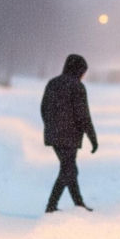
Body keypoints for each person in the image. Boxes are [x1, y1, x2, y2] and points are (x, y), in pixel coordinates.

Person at [40, 53, 98, 213]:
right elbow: (83, 115)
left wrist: (50, 126)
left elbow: (44, 108)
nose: (83, 75)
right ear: (78, 70)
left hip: (54, 134)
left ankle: (78, 204)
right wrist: (93, 138)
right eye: (83, 71)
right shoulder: (77, 87)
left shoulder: (53, 83)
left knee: (69, 169)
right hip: (70, 136)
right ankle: (51, 206)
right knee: (69, 169)